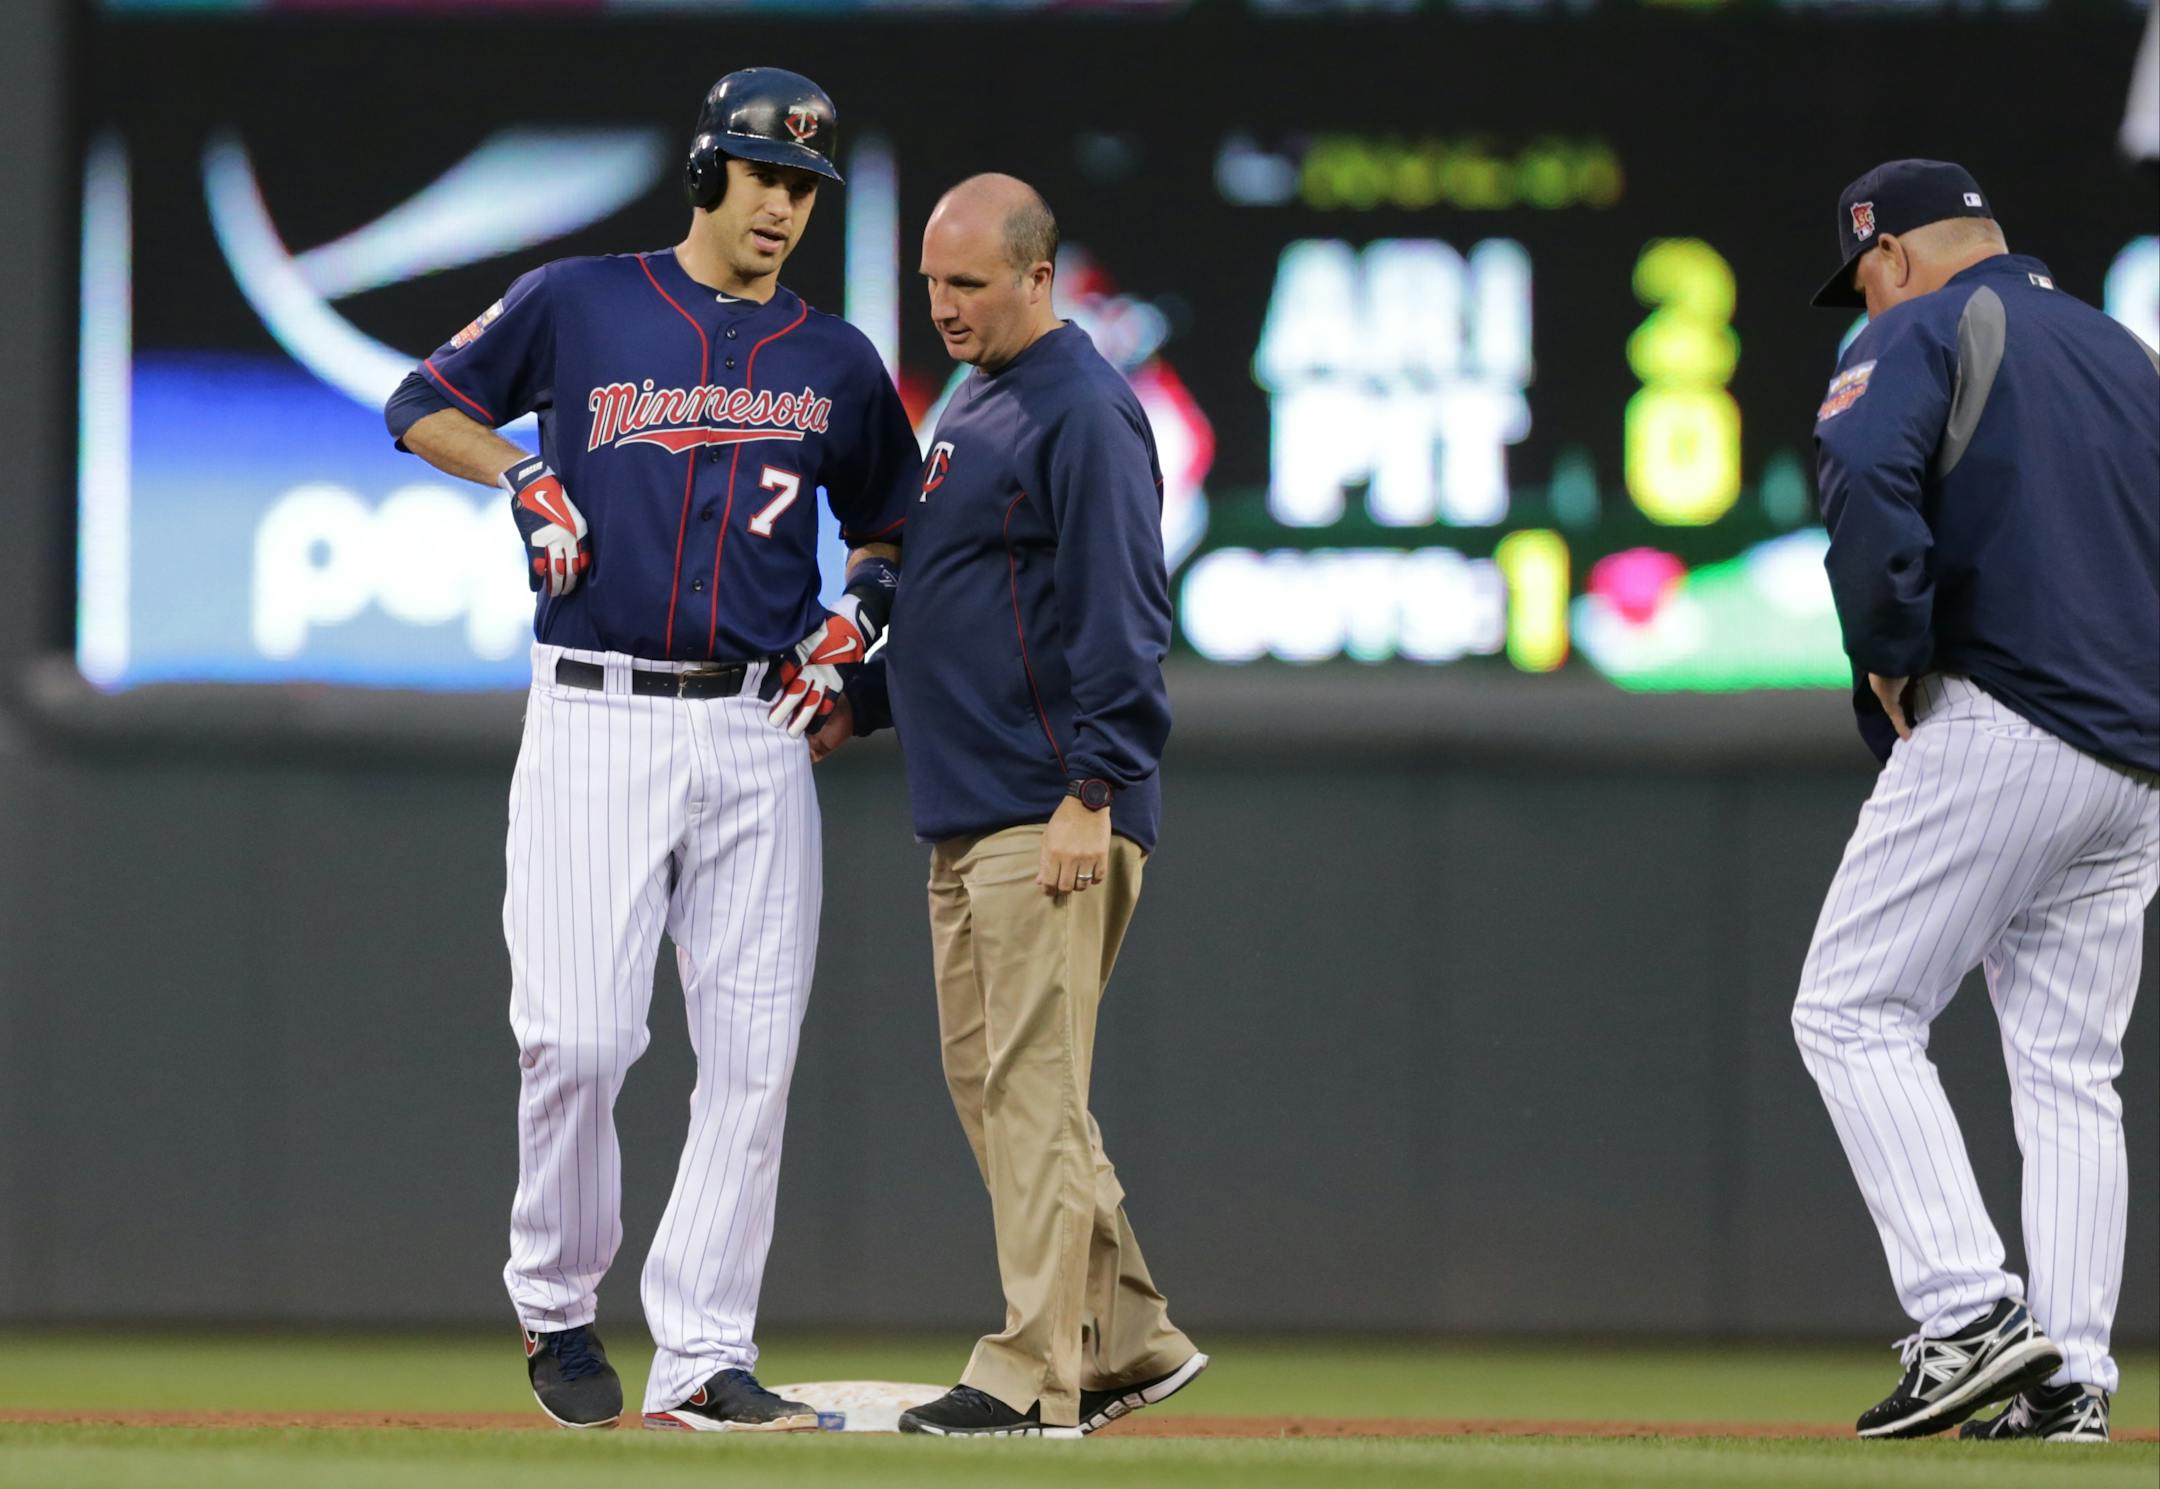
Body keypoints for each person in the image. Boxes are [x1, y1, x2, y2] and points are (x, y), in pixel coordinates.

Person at [382, 67, 916, 1431]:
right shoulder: (581, 301)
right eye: (760, 175)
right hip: (596, 706)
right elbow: (420, 399)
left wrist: (863, 611)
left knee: (750, 1055)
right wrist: (517, 469)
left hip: (757, 722)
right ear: (703, 174)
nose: (782, 205)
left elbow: (894, 523)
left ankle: (703, 1356)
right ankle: (558, 1307)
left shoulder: (835, 359)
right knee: (573, 1036)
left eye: (802, 184)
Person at [809, 174, 1208, 1438]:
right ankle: (1129, 1336)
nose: (945, 306)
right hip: (971, 799)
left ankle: (1033, 1372)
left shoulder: (1084, 408)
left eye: (969, 283)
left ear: (1040, 277)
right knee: (997, 1082)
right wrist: (864, 706)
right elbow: (959, 607)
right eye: (932, 284)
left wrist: (1094, 786)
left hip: (1051, 805)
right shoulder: (978, 403)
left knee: (1031, 1090)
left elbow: (1124, 611)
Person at [1792, 158, 2160, 1444]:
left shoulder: (1923, 326)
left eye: (1865, 277)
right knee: (2071, 1070)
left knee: (1850, 1006)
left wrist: (1886, 650)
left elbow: (1867, 486)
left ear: (1887, 255)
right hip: (2135, 760)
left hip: (2006, 712)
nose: (1866, 299)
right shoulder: (2126, 350)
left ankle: (1967, 1312)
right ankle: (2074, 1377)